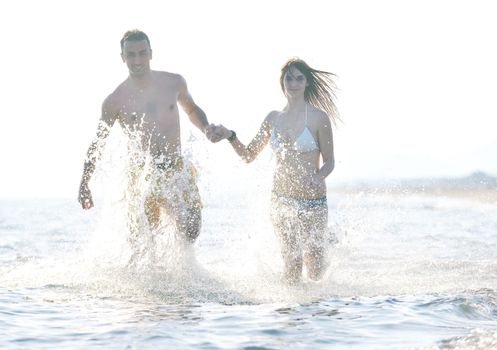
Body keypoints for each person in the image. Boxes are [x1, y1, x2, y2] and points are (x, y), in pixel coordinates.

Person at [78, 29, 220, 245]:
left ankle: (181, 274)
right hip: (143, 175)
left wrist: (206, 127)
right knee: (144, 240)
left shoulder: (174, 83)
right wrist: (84, 182)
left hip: (176, 168)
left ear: (151, 53)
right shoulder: (115, 100)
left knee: (191, 230)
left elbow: (192, 110)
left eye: (142, 53)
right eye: (131, 54)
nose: (137, 60)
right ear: (122, 57)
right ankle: (143, 274)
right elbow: (99, 143)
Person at [213, 58, 339, 284]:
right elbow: (248, 155)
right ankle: (290, 316)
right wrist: (230, 136)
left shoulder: (319, 118)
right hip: (282, 201)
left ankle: (316, 317)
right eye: (289, 78)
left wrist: (318, 177)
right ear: (282, 81)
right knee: (292, 265)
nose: (293, 83)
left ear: (307, 83)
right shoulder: (273, 118)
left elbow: (329, 162)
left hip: (313, 203)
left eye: (299, 78)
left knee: (315, 271)